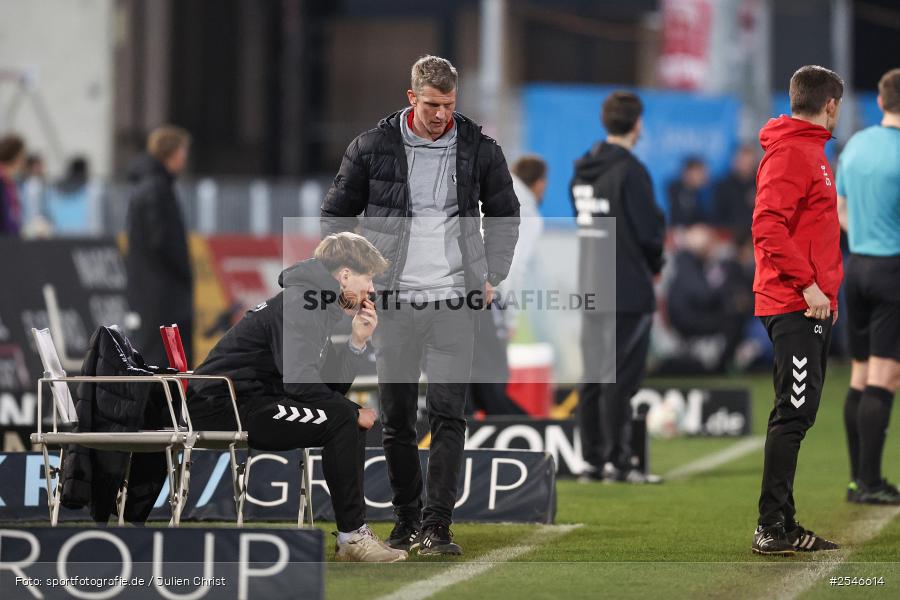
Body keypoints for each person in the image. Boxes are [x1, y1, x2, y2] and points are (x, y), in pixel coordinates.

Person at [321, 55, 520, 555]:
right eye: (431, 105)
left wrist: (492, 273)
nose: (440, 115)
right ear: (412, 98)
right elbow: (334, 216)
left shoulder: (478, 146)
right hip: (395, 303)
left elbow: (505, 211)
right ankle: (408, 520)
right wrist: (351, 276)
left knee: (450, 413)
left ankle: (438, 526)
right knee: (397, 419)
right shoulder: (371, 147)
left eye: (448, 105)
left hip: (455, 301)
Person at [188, 233, 406, 562]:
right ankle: (353, 538)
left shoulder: (315, 302)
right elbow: (301, 385)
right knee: (345, 419)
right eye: (368, 278)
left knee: (345, 418)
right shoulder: (302, 303)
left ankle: (353, 536)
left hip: (252, 401)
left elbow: (325, 390)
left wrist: (357, 343)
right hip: (227, 407)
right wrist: (351, 410)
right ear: (345, 275)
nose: (371, 289)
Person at [750, 65, 844, 555]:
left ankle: (784, 523)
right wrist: (809, 286)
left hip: (808, 304)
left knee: (796, 413)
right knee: (793, 413)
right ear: (831, 105)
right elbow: (767, 224)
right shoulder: (794, 152)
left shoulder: (808, 151)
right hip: (794, 303)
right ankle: (771, 527)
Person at [571, 91, 665, 484]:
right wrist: (655, 265)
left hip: (592, 282)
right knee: (620, 377)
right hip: (626, 287)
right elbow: (650, 232)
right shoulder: (630, 170)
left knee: (594, 374)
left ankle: (592, 459)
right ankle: (619, 461)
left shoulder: (581, 169)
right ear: (637, 123)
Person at [836, 67, 900, 505]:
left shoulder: (855, 144)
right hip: (892, 269)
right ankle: (871, 482)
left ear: (880, 101)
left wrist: (863, 234)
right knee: (884, 375)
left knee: (860, 375)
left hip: (854, 265)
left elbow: (839, 209)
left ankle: (860, 478)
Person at [468, 155, 547, 416]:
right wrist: (510, 318)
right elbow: (513, 267)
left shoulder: (488, 192)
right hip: (487, 298)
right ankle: (526, 437)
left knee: (466, 379)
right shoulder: (528, 211)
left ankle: (461, 444)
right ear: (539, 183)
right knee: (494, 380)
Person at [125, 126, 194, 367]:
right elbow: (161, 240)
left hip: (154, 291)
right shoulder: (157, 189)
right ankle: (166, 404)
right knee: (162, 357)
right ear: (172, 153)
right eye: (183, 151)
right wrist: (183, 270)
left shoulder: (150, 186)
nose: (185, 157)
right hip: (161, 294)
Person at [712, 144, 758, 240]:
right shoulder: (723, 185)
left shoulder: (760, 185)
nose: (745, 166)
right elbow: (717, 217)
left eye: (748, 163)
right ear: (735, 162)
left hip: (755, 235)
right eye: (742, 162)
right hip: (728, 235)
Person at [667, 156, 709, 227]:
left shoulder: (704, 191)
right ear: (687, 173)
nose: (703, 176)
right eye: (699, 172)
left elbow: (708, 218)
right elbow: (678, 218)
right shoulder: (675, 189)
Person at [0, 134, 26, 236]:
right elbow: (5, 219)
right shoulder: (2, 181)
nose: (24, 161)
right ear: (16, 157)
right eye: (23, 156)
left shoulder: (10, 183)